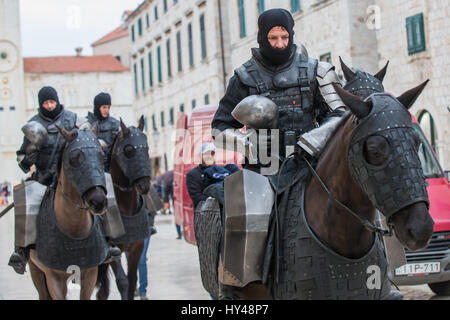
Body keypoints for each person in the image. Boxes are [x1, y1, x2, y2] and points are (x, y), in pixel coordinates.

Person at [211, 9, 346, 299]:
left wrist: (313, 139)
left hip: (309, 163)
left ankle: (380, 277)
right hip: (263, 168)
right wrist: (248, 144)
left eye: (285, 36)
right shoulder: (243, 77)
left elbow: (341, 114)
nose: (280, 43)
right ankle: (234, 284)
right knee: (245, 213)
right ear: (262, 37)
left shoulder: (316, 71)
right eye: (273, 37)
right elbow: (219, 128)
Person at [9, 86, 79, 274]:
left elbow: (85, 142)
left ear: (57, 100)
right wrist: (26, 161)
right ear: (41, 104)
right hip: (43, 179)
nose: (49, 106)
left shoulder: (72, 119)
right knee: (26, 198)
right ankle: (21, 251)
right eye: (46, 103)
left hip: (70, 178)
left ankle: (108, 240)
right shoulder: (33, 124)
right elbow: (21, 156)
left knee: (96, 193)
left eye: (52, 102)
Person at [86, 92, 120, 172]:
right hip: (91, 168)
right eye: (104, 107)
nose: (106, 110)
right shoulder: (87, 124)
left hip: (111, 168)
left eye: (108, 107)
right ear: (98, 107)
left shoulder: (115, 124)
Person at [136, 211, 157, 300]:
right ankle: (133, 285)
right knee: (129, 258)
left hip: (144, 226)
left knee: (141, 258)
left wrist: (149, 221)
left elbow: (152, 202)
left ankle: (142, 291)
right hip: (127, 227)